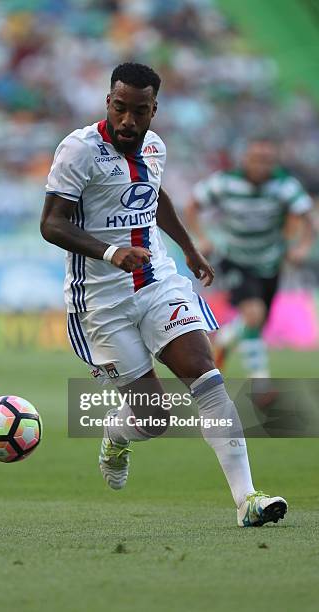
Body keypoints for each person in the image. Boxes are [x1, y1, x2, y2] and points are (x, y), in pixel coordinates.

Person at [40, 62, 287, 527]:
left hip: (157, 283)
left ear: (155, 109)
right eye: (120, 109)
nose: (128, 121)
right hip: (101, 303)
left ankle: (247, 499)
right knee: (154, 420)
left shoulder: (154, 147)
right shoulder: (78, 150)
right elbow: (50, 224)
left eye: (139, 111)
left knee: (205, 373)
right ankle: (117, 433)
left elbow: (156, 196)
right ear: (107, 104)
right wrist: (112, 253)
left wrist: (190, 249)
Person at [186, 139, 314, 378]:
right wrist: (200, 238)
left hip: (270, 262)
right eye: (255, 159)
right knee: (254, 314)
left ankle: (224, 339)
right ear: (245, 159)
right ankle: (260, 383)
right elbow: (193, 204)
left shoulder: (284, 185)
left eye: (266, 160)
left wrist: (302, 247)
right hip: (234, 258)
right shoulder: (225, 182)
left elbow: (308, 216)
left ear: (273, 163)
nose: (260, 165)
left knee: (257, 319)